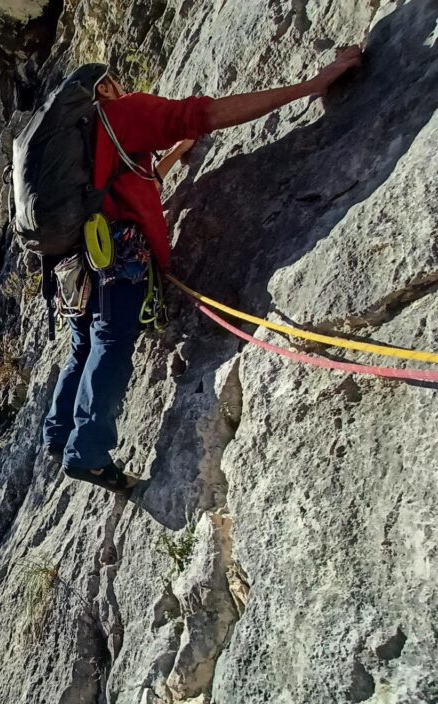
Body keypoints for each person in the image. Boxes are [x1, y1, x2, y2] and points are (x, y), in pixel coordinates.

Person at [44, 47, 363, 492]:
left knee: (82, 347)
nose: (127, 86)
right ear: (104, 89)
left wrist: (176, 153)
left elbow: (133, 177)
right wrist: (311, 85)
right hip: (118, 253)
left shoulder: (77, 145)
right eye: (117, 81)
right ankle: (88, 453)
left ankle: (59, 437)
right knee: (112, 342)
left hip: (75, 262)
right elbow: (207, 112)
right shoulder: (121, 114)